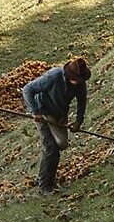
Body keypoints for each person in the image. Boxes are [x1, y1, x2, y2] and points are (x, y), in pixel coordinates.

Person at [21, 57, 89, 195]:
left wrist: (78, 121)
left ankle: (48, 179)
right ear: (68, 75)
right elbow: (28, 89)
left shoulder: (80, 83)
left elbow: (82, 101)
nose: (78, 82)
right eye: (76, 79)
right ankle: (45, 186)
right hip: (44, 113)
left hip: (59, 115)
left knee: (60, 145)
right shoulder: (54, 76)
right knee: (50, 147)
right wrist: (35, 111)